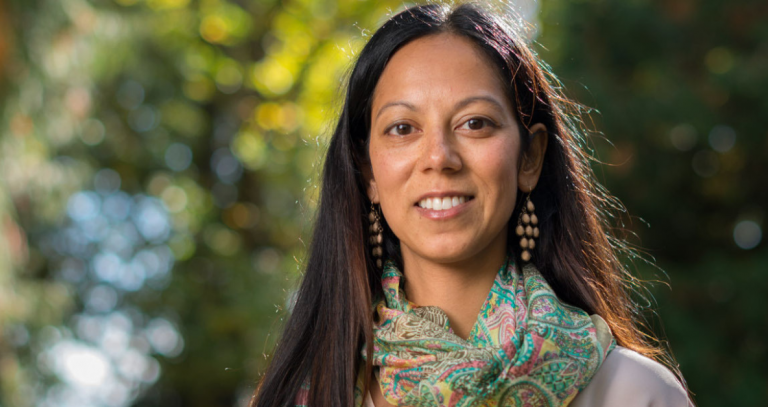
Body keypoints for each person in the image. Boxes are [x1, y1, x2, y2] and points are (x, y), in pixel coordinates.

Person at [252, 2, 693, 406]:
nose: (439, 157)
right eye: (403, 128)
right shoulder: (306, 396)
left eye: (474, 123)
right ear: (367, 172)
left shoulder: (633, 393)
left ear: (530, 157)